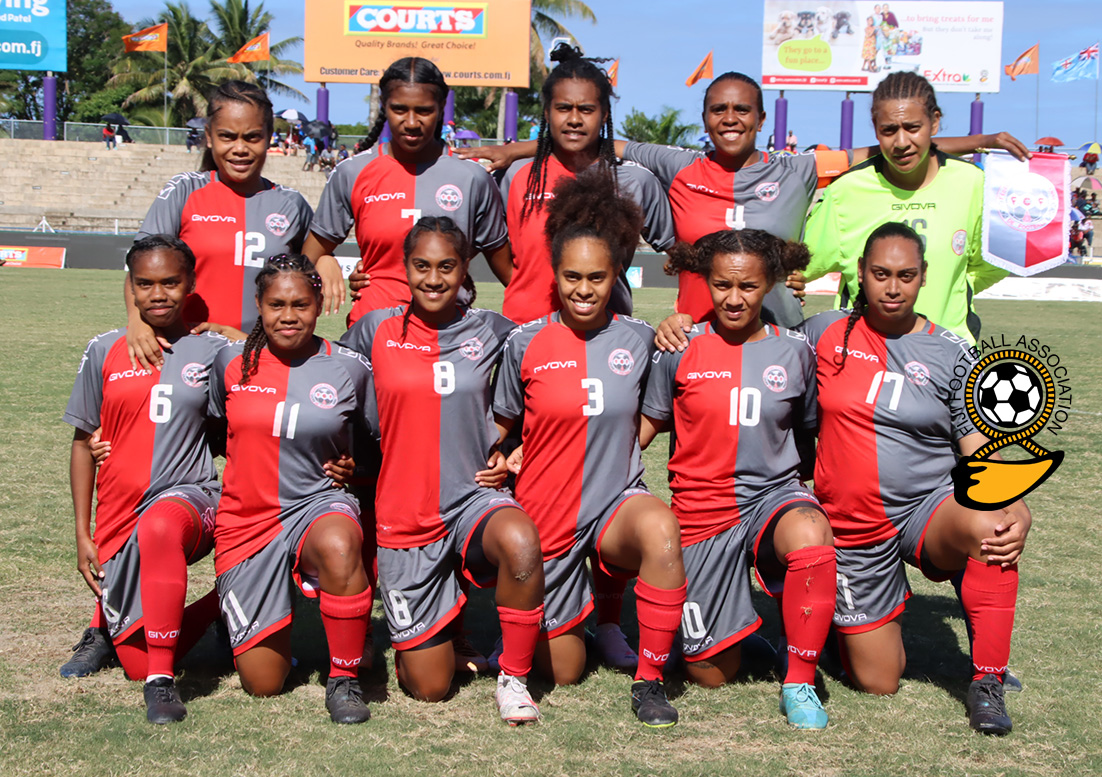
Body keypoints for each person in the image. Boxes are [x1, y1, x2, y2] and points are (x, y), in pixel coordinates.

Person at [464, 71, 1025, 333]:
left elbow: (881, 148)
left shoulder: (796, 169)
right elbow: (594, 140)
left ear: (760, 119)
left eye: (742, 110)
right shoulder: (678, 165)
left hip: (777, 333)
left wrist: (982, 140)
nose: (730, 118)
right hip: (694, 336)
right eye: (718, 110)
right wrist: (510, 150)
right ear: (705, 119)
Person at [801, 222, 1030, 735]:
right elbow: (757, 344)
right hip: (853, 527)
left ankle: (987, 681)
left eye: (905, 275)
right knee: (878, 681)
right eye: (880, 274)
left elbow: (978, 445)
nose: (892, 287)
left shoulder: (952, 351)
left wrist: (1011, 502)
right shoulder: (822, 332)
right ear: (860, 273)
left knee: (995, 527)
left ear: (924, 276)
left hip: (928, 508)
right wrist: (681, 325)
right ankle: (846, 627)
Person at [492, 170, 687, 728]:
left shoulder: (640, 338)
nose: (584, 289)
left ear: (616, 275)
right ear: (555, 275)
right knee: (565, 668)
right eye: (572, 276)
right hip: (546, 511)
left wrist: (616, 452)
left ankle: (649, 682)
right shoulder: (524, 342)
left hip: (614, 503)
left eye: (597, 277)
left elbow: (654, 413)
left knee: (661, 528)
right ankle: (552, 640)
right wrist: (508, 454)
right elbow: (503, 426)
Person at [338, 217, 546, 724]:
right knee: (430, 689)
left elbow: (551, 371)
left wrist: (517, 444)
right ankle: (435, 633)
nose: (433, 279)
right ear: (405, 267)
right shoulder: (374, 328)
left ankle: (513, 679)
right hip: (406, 511)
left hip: (473, 495)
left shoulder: (493, 329)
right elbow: (326, 381)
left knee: (520, 540)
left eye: (446, 266)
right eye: (422, 266)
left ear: (465, 267)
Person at [639, 228, 836, 729]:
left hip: (773, 496)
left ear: (770, 283)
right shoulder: (679, 346)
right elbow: (643, 427)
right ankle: (742, 630)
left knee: (810, 532)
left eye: (748, 286)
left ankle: (799, 681)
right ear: (706, 281)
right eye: (722, 285)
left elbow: (810, 435)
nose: (733, 298)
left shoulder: (796, 351)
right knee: (711, 674)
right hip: (702, 510)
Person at [62, 236, 227, 723]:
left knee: (160, 523)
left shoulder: (214, 351)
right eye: (146, 283)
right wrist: (82, 532)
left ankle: (164, 678)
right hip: (119, 513)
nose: (158, 294)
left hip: (189, 500)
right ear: (130, 287)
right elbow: (82, 442)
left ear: (190, 284)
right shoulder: (103, 349)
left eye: (170, 282)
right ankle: (221, 606)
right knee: (133, 662)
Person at [209, 255, 374, 724]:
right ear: (259, 306)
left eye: (300, 304)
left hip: (317, 504)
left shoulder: (350, 368)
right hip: (247, 519)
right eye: (276, 305)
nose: (288, 316)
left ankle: (344, 678)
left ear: (319, 304)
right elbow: (214, 430)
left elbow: (379, 443)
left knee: (340, 543)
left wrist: (356, 468)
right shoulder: (230, 362)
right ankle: (229, 609)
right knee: (263, 683)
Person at [127, 80, 338, 373]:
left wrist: (326, 258)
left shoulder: (292, 204)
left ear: (269, 137)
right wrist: (136, 321)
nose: (240, 148)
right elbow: (140, 268)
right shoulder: (184, 191)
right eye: (227, 136)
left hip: (262, 360)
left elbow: (308, 264)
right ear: (209, 136)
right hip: (186, 356)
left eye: (252, 137)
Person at [801, 72, 1010, 344]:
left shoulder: (973, 184)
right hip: (866, 356)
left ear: (935, 122)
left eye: (912, 128)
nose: (901, 142)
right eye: (889, 130)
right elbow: (799, 267)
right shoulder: (846, 192)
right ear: (876, 128)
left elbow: (993, 266)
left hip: (949, 357)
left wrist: (950, 289)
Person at [304, 57, 512, 328]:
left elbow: (511, 275)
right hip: (372, 331)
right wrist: (326, 260)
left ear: (441, 107)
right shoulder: (351, 172)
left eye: (424, 111)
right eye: (399, 109)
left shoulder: (473, 178)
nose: (411, 122)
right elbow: (307, 259)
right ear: (384, 105)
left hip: (447, 336)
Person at [497, 44, 674, 326]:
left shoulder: (635, 181)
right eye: (563, 108)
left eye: (586, 110)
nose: (574, 119)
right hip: (525, 330)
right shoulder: (516, 174)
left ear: (604, 115)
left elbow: (679, 252)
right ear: (547, 113)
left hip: (607, 338)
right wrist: (525, 287)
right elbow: (495, 245)